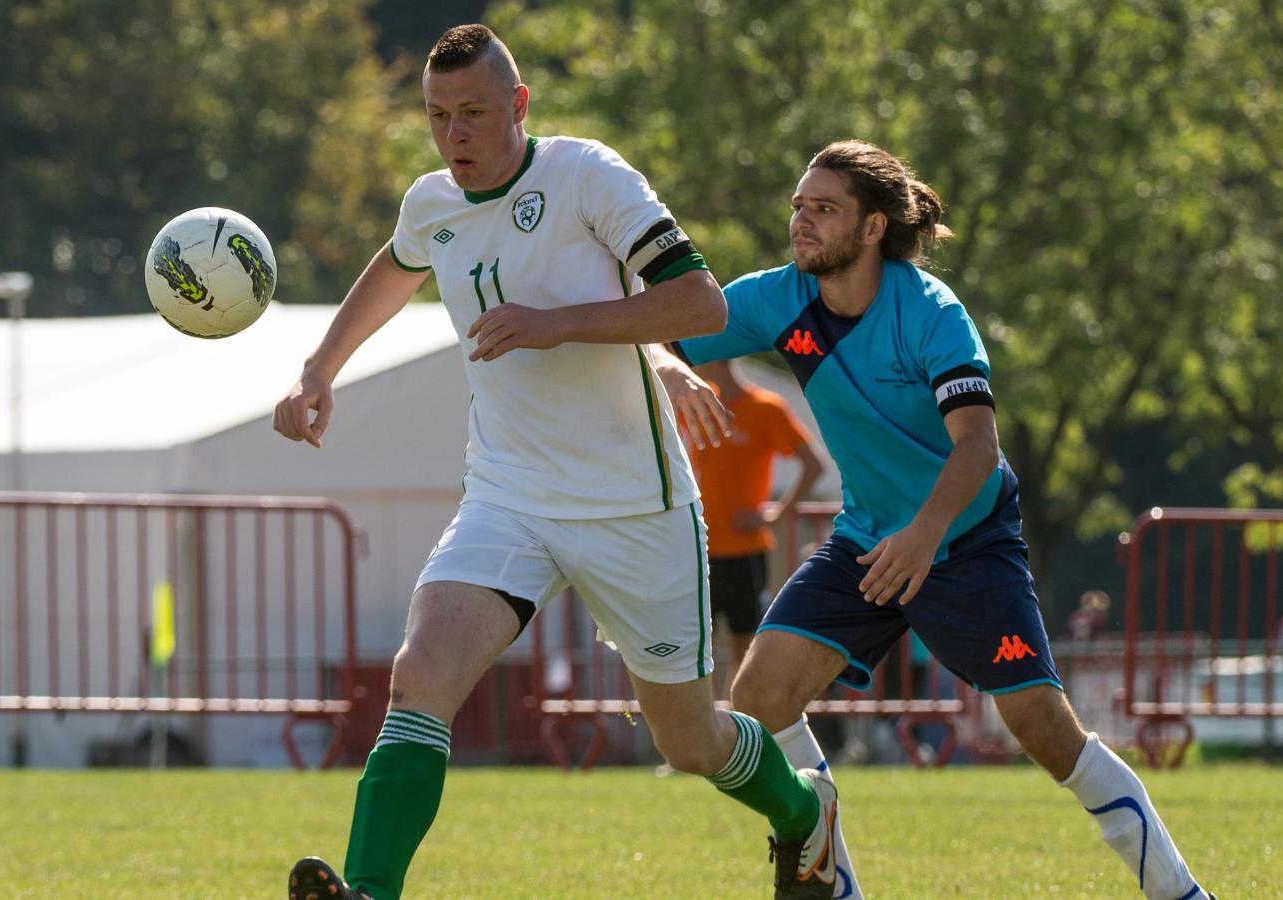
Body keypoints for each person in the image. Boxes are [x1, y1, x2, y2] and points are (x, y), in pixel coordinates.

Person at [272, 25, 835, 900]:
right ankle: (371, 891)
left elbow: (699, 297)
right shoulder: (432, 202)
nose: (454, 134)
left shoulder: (586, 176)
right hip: (510, 497)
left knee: (689, 743)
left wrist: (556, 321)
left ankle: (804, 815)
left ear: (519, 105)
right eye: (437, 117)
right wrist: (319, 367)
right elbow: (398, 263)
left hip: (632, 506)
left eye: (473, 113)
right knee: (420, 676)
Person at [656, 139, 1213, 899]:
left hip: (969, 544)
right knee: (757, 701)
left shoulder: (931, 313)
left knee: (1048, 736)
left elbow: (979, 447)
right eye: (798, 206)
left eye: (824, 209)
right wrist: (666, 365)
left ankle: (1182, 894)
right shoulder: (776, 298)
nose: (801, 222)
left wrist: (923, 536)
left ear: (875, 227)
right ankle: (834, 882)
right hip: (866, 537)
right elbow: (666, 326)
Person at [684, 359, 825, 697]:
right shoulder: (690, 405)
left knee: (745, 648)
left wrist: (775, 514)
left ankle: (745, 729)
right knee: (694, 651)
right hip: (695, 550)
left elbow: (814, 464)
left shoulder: (765, 407)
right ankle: (704, 734)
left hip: (743, 552)